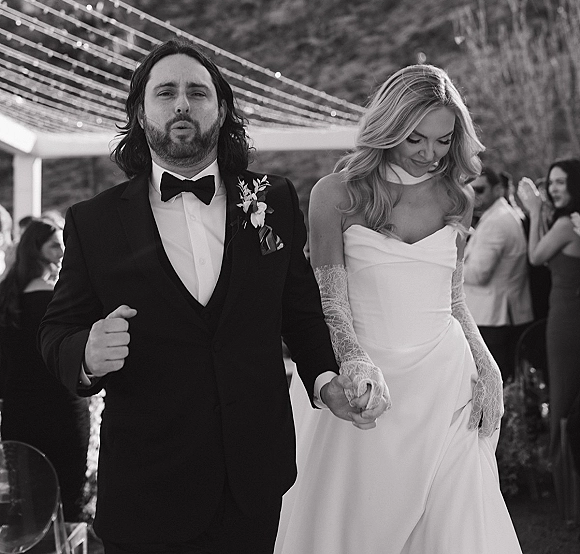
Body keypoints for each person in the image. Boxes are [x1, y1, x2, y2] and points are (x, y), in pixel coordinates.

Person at [39, 39, 380, 554]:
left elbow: (300, 313)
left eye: (197, 93)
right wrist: (85, 353)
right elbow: (54, 332)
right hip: (147, 490)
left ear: (221, 111)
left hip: (253, 483)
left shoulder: (273, 199)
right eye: (165, 93)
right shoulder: (94, 222)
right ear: (140, 113)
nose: (182, 104)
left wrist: (325, 380)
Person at [275, 64, 522, 554]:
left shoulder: (458, 196)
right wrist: (353, 361)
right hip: (367, 387)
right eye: (416, 139)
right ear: (388, 127)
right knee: (352, 531)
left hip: (447, 386)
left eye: (444, 140)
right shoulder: (334, 194)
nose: (431, 154)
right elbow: (330, 301)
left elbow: (454, 300)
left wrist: (487, 365)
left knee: (459, 533)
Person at [0, 218, 90, 521]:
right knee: (68, 506)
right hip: (61, 411)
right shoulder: (59, 300)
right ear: (35, 250)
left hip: (19, 412)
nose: (62, 252)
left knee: (27, 511)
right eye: (54, 246)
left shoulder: (6, 297)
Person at [518, 159, 580, 518]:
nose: (554, 188)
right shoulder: (571, 222)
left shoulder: (567, 224)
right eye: (551, 182)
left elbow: (535, 255)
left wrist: (535, 209)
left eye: (561, 182)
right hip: (567, 317)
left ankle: (570, 501)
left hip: (567, 322)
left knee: (562, 403)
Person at [463, 166, 533, 381]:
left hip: (494, 318)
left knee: (492, 384)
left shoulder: (496, 221)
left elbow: (478, 274)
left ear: (498, 189)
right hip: (499, 316)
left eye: (480, 189)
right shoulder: (499, 215)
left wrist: (448, 264)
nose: (475, 195)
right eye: (471, 189)